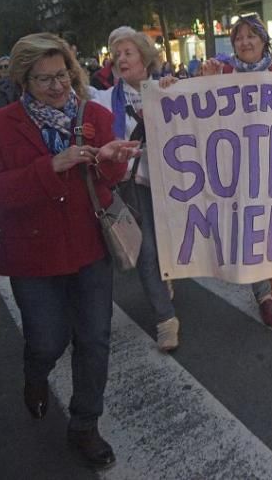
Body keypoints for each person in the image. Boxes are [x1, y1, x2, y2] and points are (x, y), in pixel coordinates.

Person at [0, 33, 139, 470]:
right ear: (23, 81)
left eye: (62, 75)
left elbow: (112, 177)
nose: (56, 86)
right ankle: (35, 374)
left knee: (95, 337)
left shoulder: (95, 115)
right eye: (43, 78)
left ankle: (85, 424)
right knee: (47, 339)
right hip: (33, 254)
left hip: (90, 247)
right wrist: (50, 166)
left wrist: (110, 157)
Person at [199, 15, 272, 328]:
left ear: (264, 41)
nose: (245, 42)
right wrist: (203, 82)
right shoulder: (223, 72)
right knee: (251, 231)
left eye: (252, 36)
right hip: (237, 167)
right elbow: (200, 111)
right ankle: (263, 297)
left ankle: (270, 273)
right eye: (238, 37)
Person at [91, 26, 180, 352]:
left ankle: (165, 278)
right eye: (117, 55)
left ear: (145, 58)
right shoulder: (103, 99)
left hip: (171, 187)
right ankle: (165, 319)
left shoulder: (165, 90)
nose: (121, 59)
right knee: (145, 252)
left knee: (169, 247)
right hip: (133, 188)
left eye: (128, 52)